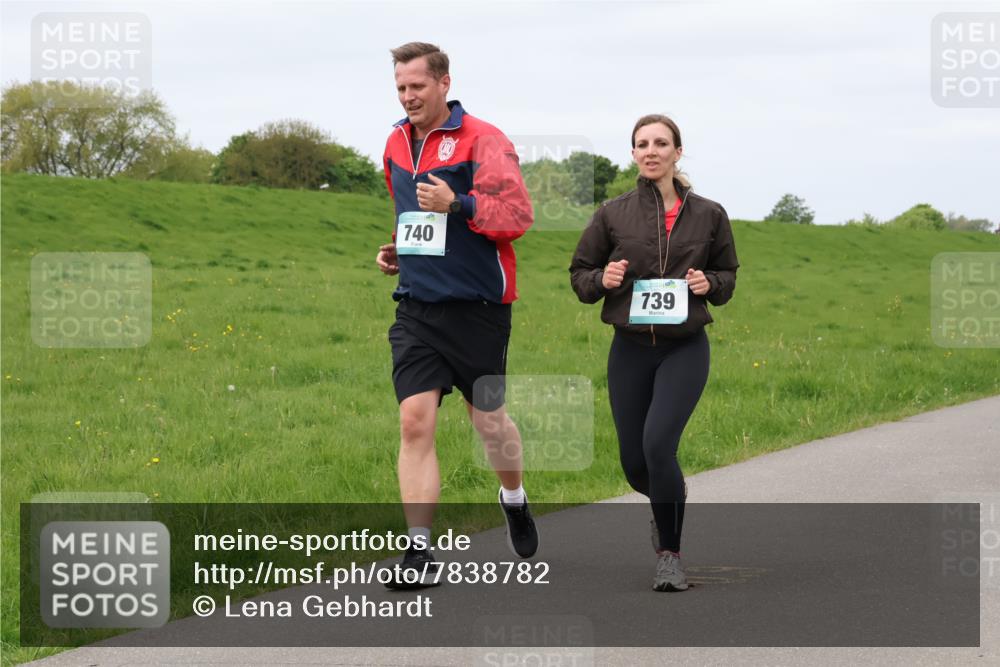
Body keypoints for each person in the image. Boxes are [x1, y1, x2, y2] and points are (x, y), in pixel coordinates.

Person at [375, 42, 538, 589]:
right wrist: (398, 249)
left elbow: (517, 216)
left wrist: (461, 204)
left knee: (488, 421)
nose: (407, 96)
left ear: (444, 83)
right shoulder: (396, 143)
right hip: (418, 307)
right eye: (400, 87)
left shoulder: (484, 139)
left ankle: (513, 497)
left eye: (416, 86)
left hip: (478, 309)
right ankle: (419, 552)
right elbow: (409, 216)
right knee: (414, 420)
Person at [569, 114, 739, 591]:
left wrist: (712, 283)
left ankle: (670, 555)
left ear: (677, 153)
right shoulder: (613, 213)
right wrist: (602, 280)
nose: (651, 151)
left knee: (658, 445)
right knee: (634, 462)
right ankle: (670, 498)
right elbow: (580, 273)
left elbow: (727, 277)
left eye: (661, 143)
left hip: (684, 347)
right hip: (630, 349)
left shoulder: (709, 213)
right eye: (642, 144)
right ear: (634, 154)